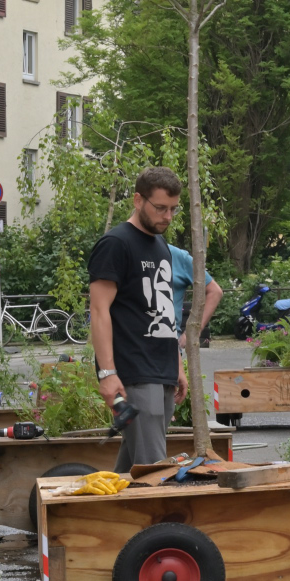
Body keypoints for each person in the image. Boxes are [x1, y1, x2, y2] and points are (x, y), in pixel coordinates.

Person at [88, 168, 191, 473]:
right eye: (160, 208)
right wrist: (107, 373)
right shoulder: (116, 244)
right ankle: (163, 522)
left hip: (163, 370)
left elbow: (164, 310)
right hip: (134, 371)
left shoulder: (162, 247)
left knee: (131, 469)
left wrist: (178, 365)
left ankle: (97, 520)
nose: (168, 216)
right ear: (137, 199)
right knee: (154, 470)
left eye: (173, 209)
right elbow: (99, 310)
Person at [167, 243, 222, 349]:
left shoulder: (178, 257)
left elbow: (215, 292)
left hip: (168, 349)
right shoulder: (126, 249)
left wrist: (193, 332)